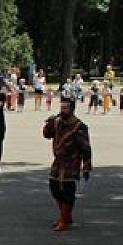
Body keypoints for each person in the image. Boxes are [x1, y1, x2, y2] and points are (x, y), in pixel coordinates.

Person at [42, 97, 92, 231]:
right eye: (61, 108)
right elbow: (47, 135)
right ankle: (66, 215)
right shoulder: (58, 122)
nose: (62, 111)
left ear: (71, 110)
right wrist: (49, 124)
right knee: (54, 187)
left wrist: (86, 168)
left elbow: (86, 149)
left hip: (72, 162)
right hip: (58, 161)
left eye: (65, 108)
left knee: (67, 192)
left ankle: (64, 219)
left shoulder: (79, 126)